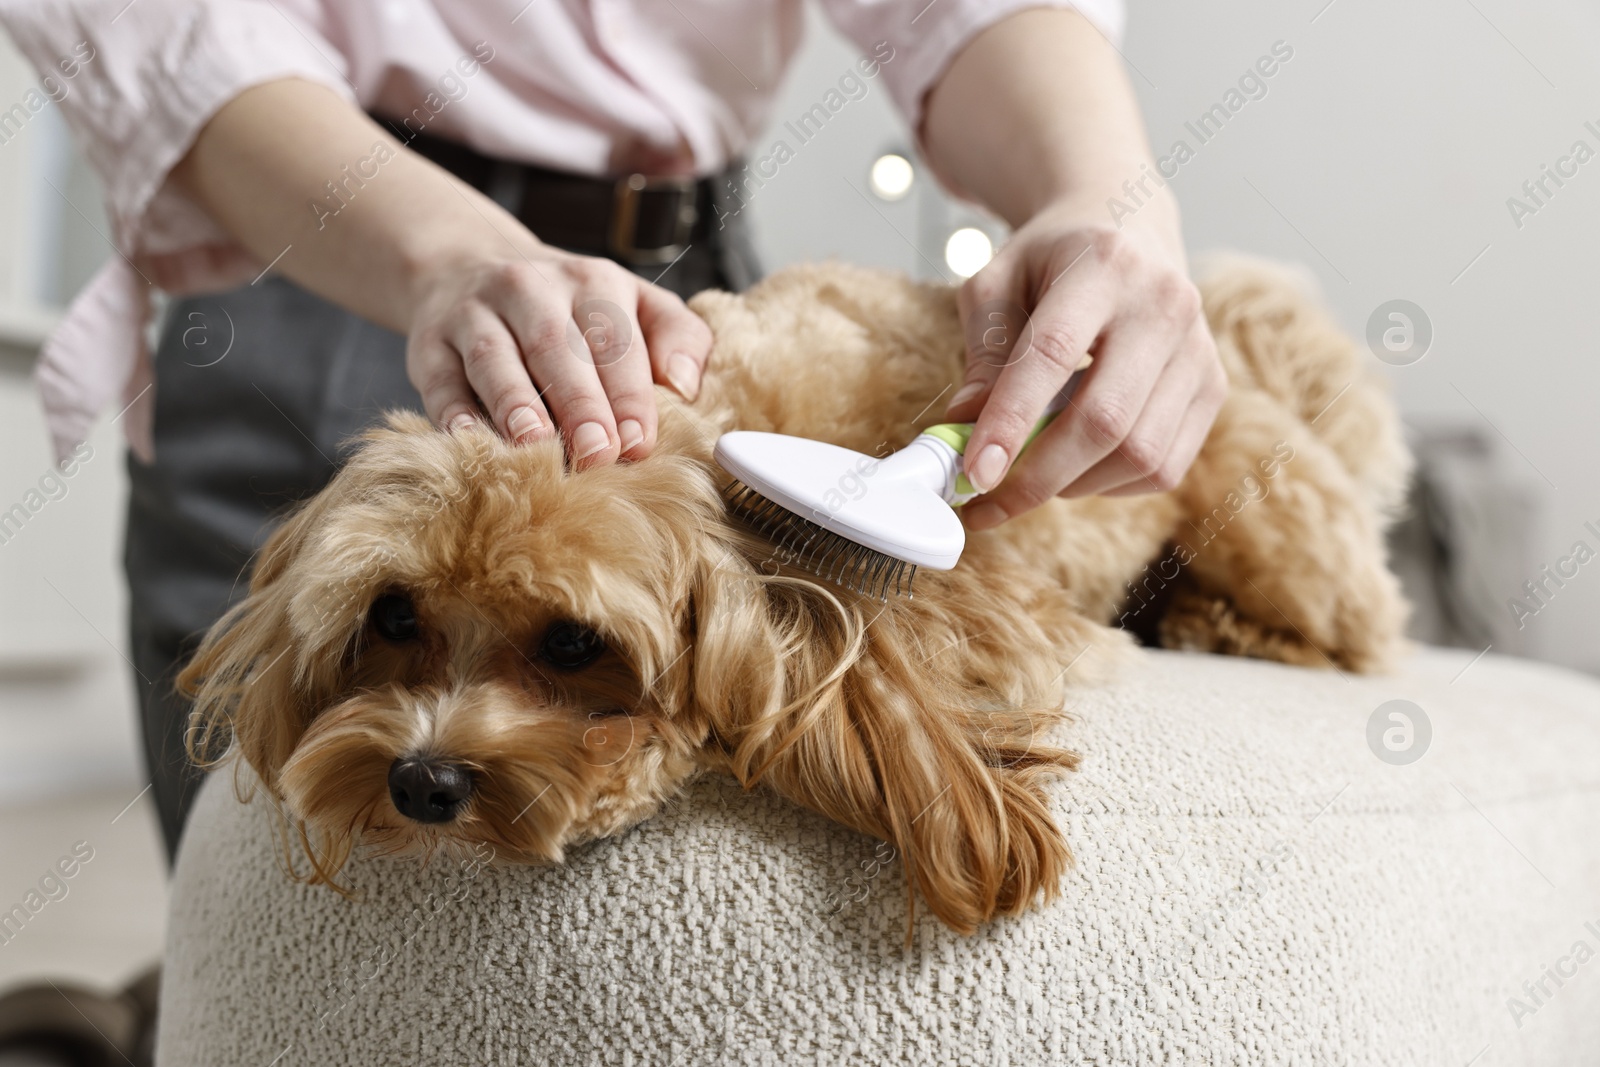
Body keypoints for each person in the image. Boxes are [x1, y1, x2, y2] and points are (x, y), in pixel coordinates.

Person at [1, 0, 1221, 865]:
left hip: (693, 256)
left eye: (567, 644)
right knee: (267, 924)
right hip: (312, 236)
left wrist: (1106, 194)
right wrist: (445, 257)